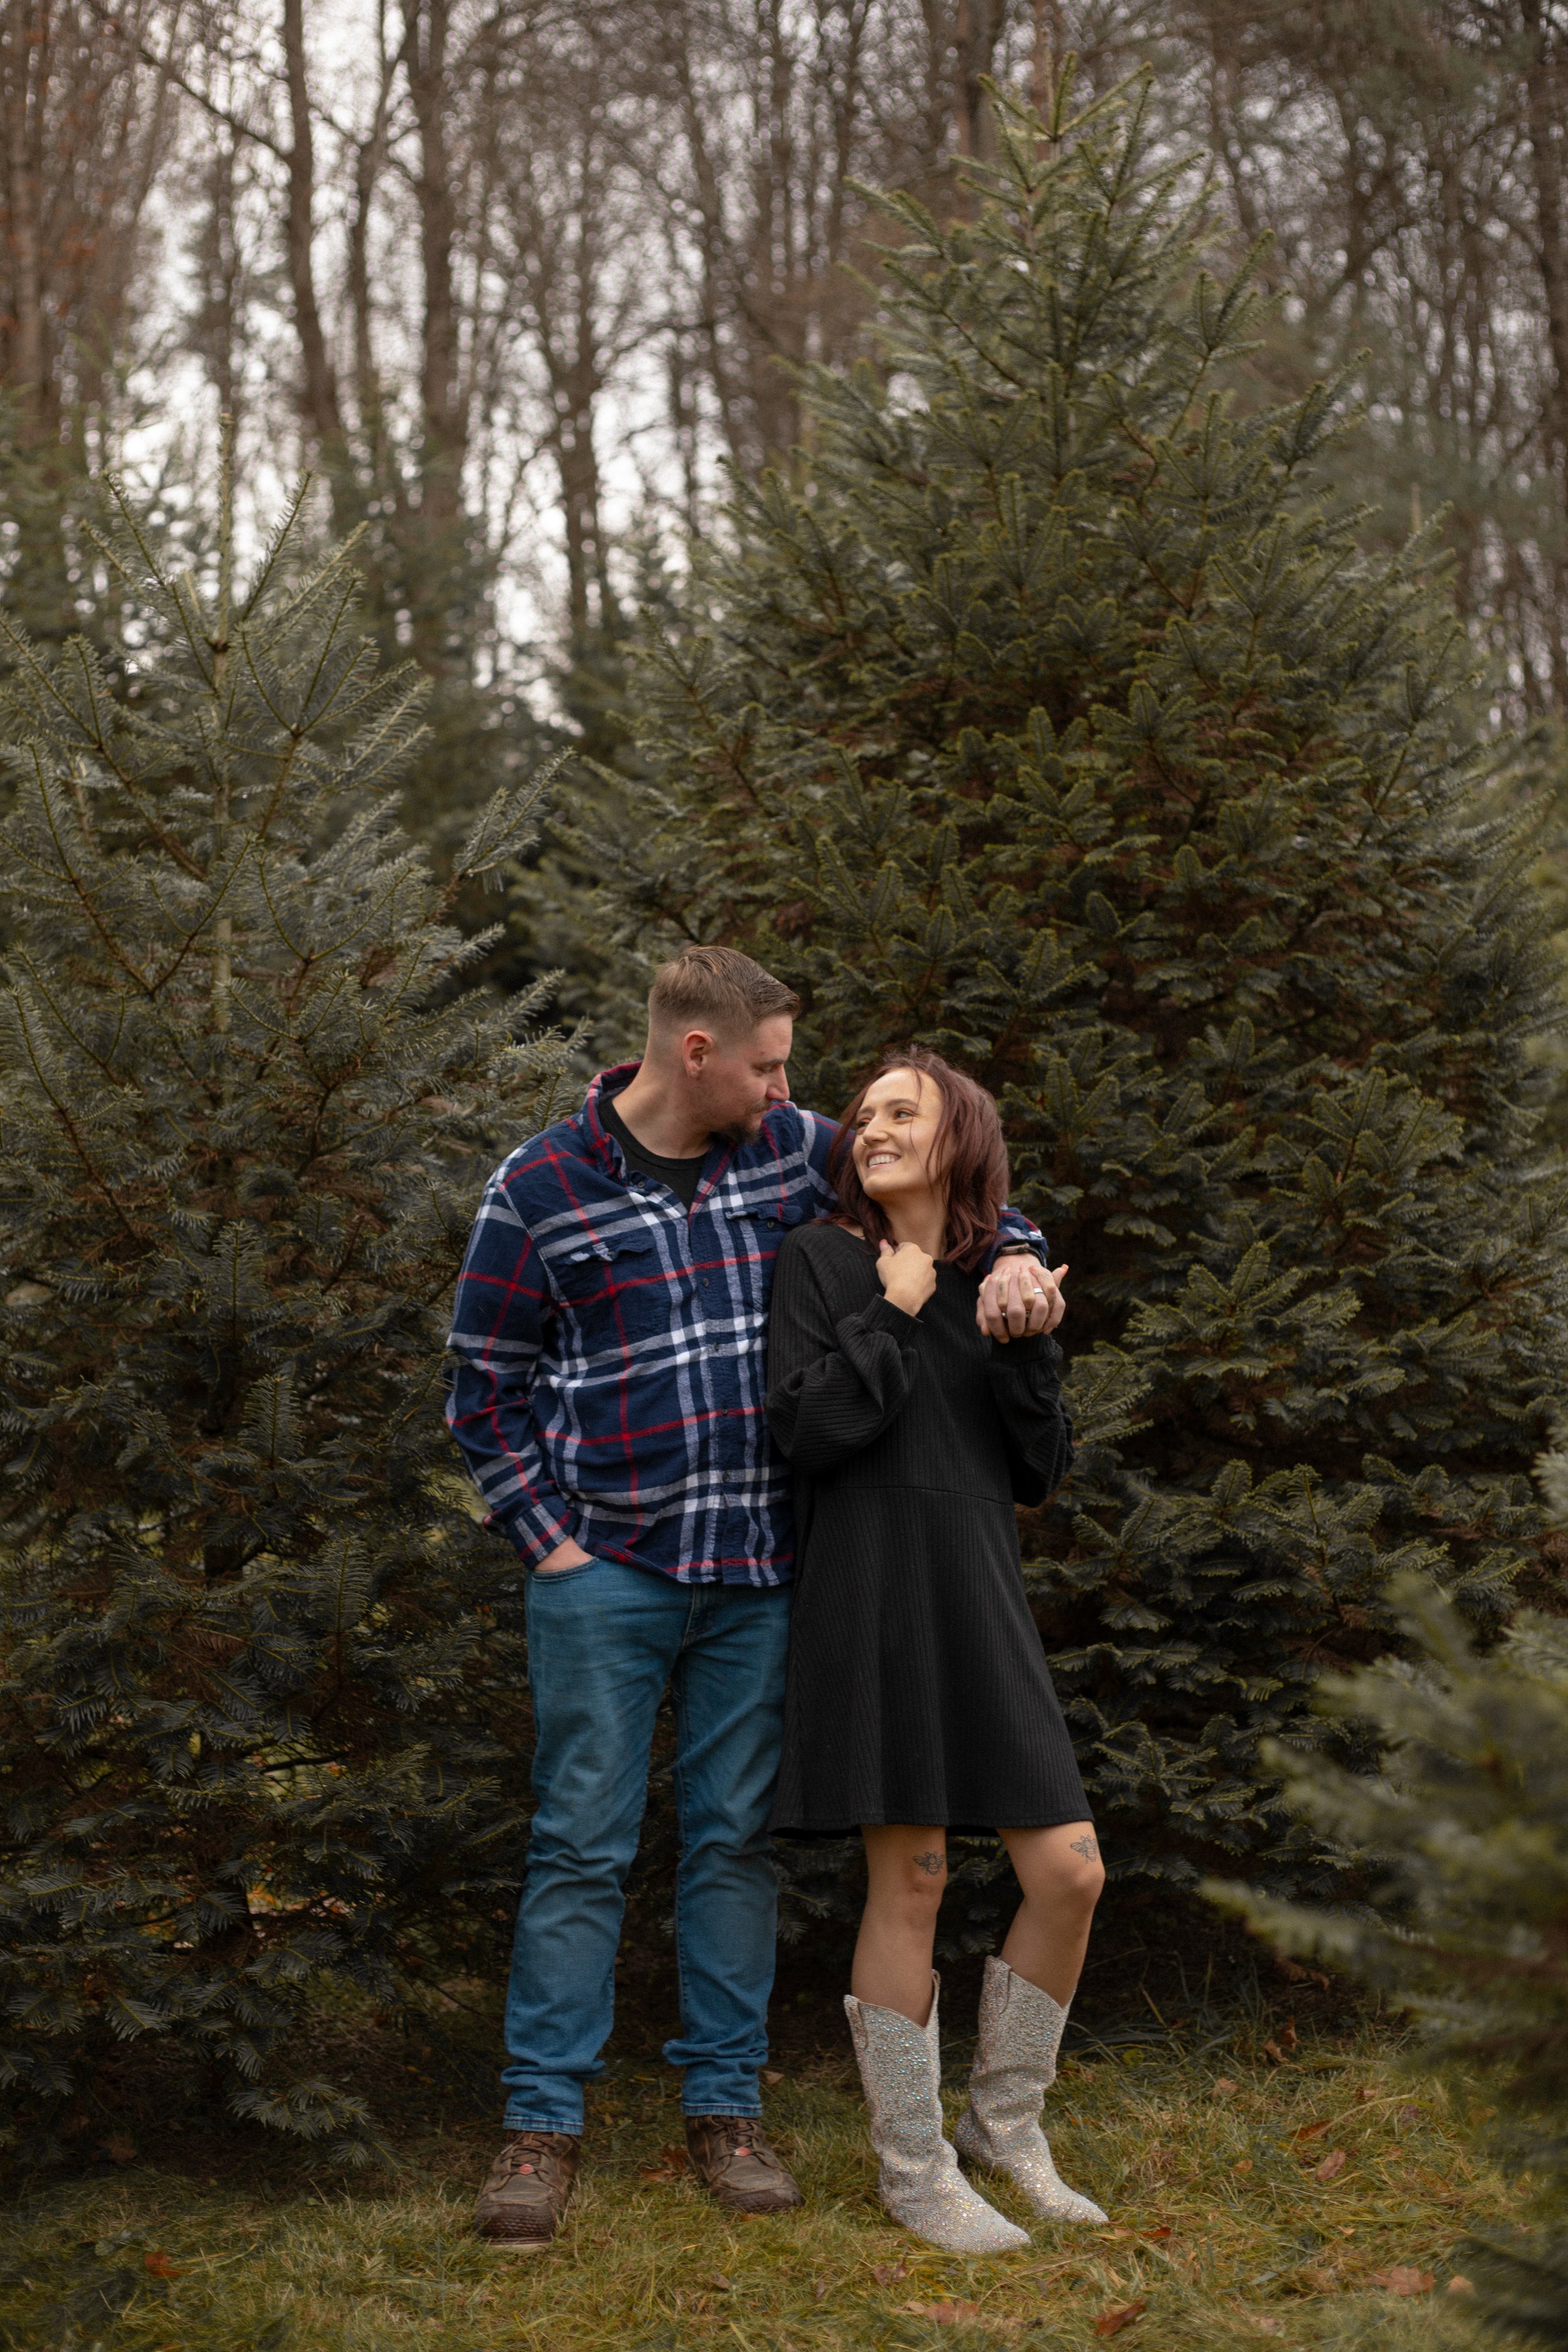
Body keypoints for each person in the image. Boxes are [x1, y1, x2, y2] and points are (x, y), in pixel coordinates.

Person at [445, 946, 1061, 2251]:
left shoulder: (789, 1149)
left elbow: (952, 1187)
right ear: (695, 1055)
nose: (798, 1092)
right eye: (771, 1063)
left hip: (761, 1575)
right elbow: (483, 1386)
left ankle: (723, 2111)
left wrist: (1018, 1259)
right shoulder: (539, 1186)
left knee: (729, 1845)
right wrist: (548, 1540)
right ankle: (540, 2127)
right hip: (603, 1572)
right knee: (580, 1846)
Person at [765, 1045, 1105, 2255]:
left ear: (960, 1132)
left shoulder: (1002, 1273)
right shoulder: (819, 1258)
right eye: (862, 1115)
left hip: (977, 1582)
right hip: (869, 1584)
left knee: (1069, 1867)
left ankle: (1007, 2124)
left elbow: (1036, 1471)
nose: (871, 1128)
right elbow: (807, 1427)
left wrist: (1031, 1342)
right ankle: (914, 2167)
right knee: (909, 1875)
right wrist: (894, 1307)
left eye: (902, 1112)